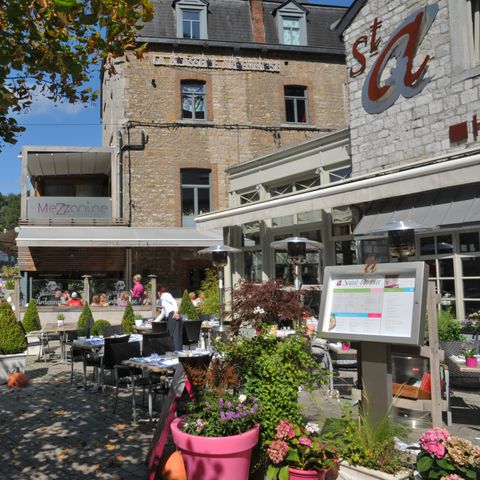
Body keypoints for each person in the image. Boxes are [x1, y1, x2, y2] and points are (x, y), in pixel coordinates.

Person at [156, 285, 183, 351]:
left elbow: (174, 302)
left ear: (159, 292)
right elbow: (163, 313)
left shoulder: (165, 294)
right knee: (172, 337)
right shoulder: (163, 300)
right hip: (171, 317)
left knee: (175, 338)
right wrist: (154, 321)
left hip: (173, 316)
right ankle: (175, 354)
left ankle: (178, 355)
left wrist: (176, 312)